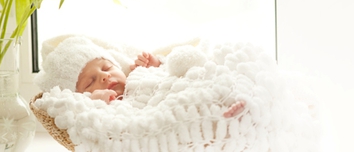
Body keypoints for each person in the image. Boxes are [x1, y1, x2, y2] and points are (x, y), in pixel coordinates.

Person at [35, 36, 245, 118]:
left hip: (179, 86)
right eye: (90, 82)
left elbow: (169, 74)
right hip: (171, 107)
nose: (104, 77)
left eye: (106, 67)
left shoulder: (137, 73)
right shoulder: (110, 105)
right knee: (187, 106)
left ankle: (227, 95)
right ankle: (219, 109)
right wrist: (96, 100)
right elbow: (85, 112)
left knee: (189, 66)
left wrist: (156, 64)